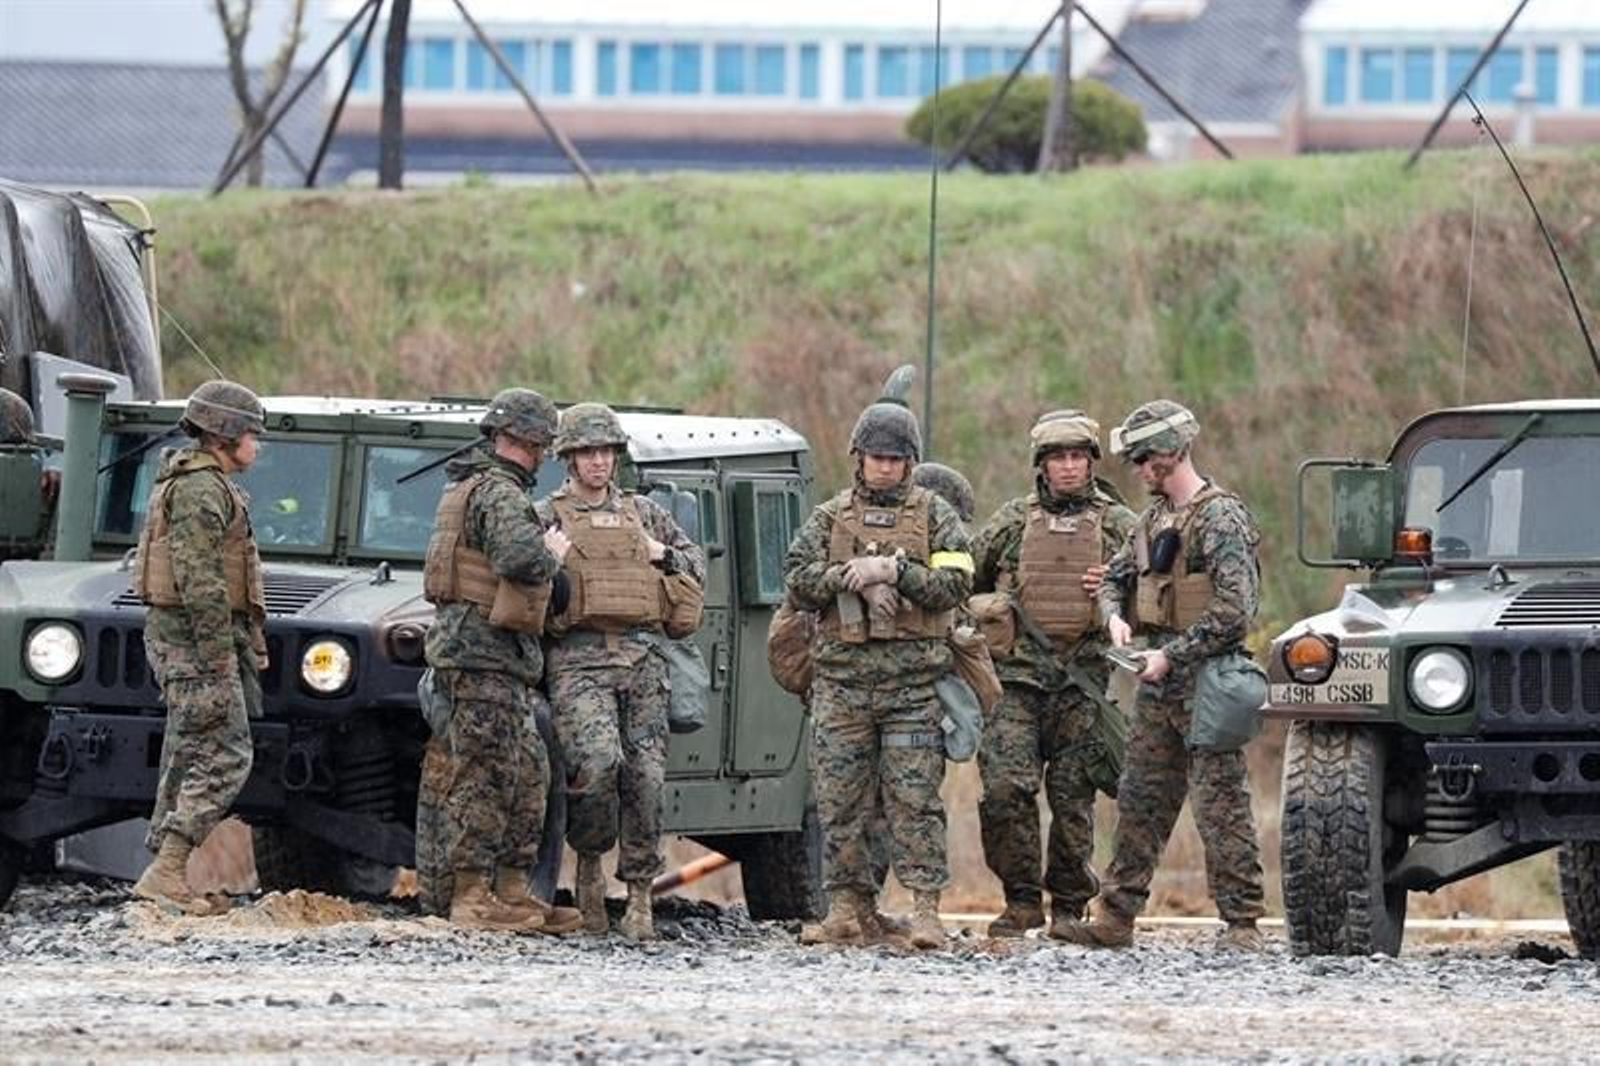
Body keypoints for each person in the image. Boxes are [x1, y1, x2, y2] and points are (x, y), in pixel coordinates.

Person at [1056, 400, 1267, 952]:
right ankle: (1115, 917)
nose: (1140, 469)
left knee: (1220, 804)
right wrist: (1114, 618)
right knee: (1140, 799)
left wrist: (1172, 655)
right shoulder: (1152, 520)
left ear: (1174, 452)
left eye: (1146, 457)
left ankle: (1242, 923)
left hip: (1209, 682)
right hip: (1158, 682)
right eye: (1137, 459)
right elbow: (1113, 578)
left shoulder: (1220, 519)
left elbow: (1234, 612)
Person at [783, 395, 973, 950]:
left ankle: (926, 912)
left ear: (910, 461)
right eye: (876, 457)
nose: (885, 467)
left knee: (915, 801)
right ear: (859, 458)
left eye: (895, 458)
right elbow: (795, 578)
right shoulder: (830, 516)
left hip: (912, 688)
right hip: (842, 686)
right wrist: (846, 576)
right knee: (840, 802)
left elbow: (957, 583)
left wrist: (897, 570)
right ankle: (847, 908)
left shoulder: (935, 515)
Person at [535, 403, 705, 942]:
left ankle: (639, 895)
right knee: (598, 764)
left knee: (647, 779)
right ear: (569, 458)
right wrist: (548, 560)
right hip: (579, 660)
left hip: (642, 659)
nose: (598, 461)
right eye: (587, 452)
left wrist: (663, 554)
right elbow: (516, 580)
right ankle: (588, 865)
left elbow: (697, 565)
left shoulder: (644, 513)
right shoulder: (546, 515)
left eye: (606, 451)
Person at [970, 410, 1136, 939]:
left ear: (1091, 462)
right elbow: (964, 576)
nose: (1068, 466)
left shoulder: (1120, 526)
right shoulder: (1011, 522)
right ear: (1041, 465)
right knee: (1004, 789)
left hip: (1082, 683)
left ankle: (1069, 904)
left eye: (1077, 456)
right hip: (1015, 681)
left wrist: (1116, 586)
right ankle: (1021, 900)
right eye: (1058, 457)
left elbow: (1156, 593)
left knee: (1073, 799)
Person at [422, 387, 582, 934]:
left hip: (498, 658)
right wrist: (551, 556)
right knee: (484, 776)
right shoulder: (497, 491)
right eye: (542, 445)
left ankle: (512, 890)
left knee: (528, 772)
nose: (543, 456)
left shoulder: (475, 486)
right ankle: (471, 895)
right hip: (480, 656)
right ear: (528, 441)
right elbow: (518, 557)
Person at [130, 380, 268, 912]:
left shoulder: (201, 484)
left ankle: (164, 872)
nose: (256, 444)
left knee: (187, 750)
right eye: (252, 434)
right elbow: (200, 580)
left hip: (191, 642)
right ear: (226, 434)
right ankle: (167, 869)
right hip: (194, 645)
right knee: (227, 754)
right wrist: (217, 654)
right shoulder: (201, 490)